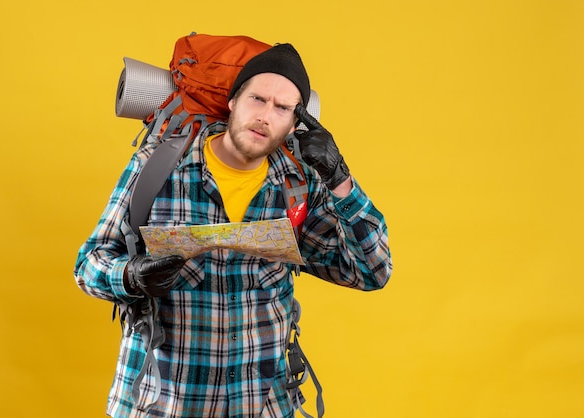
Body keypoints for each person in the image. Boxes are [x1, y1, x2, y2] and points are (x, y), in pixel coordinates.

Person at [74, 42, 393, 418]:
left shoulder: (298, 186)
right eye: (257, 99)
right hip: (165, 403)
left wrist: (340, 179)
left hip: (261, 406)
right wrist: (130, 276)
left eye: (282, 108)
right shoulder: (157, 166)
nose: (265, 116)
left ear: (295, 123)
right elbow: (89, 264)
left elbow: (371, 272)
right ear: (233, 102)